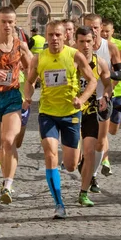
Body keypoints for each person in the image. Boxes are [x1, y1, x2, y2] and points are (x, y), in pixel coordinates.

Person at [24, 20, 97, 219]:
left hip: (71, 114)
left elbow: (92, 81)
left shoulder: (74, 56)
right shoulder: (39, 59)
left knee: (72, 164)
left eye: (58, 35)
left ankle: (75, 154)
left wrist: (81, 99)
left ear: (66, 36)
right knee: (50, 155)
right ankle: (59, 204)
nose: (54, 39)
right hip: (47, 113)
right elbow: (29, 82)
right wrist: (28, 97)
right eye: (51, 35)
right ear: (46, 37)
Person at [0, 7, 32, 204]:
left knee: (9, 140)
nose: (8, 25)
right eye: (4, 22)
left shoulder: (20, 46)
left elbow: (30, 69)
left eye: (11, 22)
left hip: (11, 97)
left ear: (15, 23)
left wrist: (28, 91)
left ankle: (8, 184)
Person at [83, 14, 121, 186]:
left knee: (101, 140)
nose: (93, 30)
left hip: (104, 97)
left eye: (95, 27)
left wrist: (105, 74)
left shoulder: (110, 48)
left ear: (101, 28)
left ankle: (92, 173)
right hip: (84, 100)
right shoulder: (76, 49)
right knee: (86, 142)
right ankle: (86, 172)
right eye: (89, 27)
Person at [74, 26, 112, 206]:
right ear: (76, 42)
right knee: (72, 161)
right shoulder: (69, 60)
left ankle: (83, 192)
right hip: (70, 111)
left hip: (90, 110)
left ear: (93, 41)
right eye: (81, 41)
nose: (85, 45)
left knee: (89, 152)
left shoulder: (101, 62)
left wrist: (105, 96)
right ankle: (79, 164)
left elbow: (108, 85)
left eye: (88, 41)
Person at [98, 18, 121, 177]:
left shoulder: (118, 46)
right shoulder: (93, 44)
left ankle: (102, 145)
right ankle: (105, 160)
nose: (103, 33)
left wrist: (113, 86)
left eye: (106, 31)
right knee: (101, 130)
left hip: (119, 92)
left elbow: (120, 69)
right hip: (102, 94)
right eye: (101, 30)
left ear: (112, 32)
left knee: (113, 130)